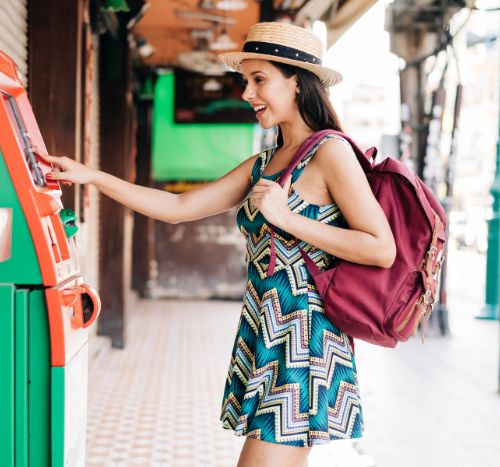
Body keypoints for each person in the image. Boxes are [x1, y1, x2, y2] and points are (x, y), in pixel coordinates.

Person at [36, 21, 395, 467]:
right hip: (267, 332)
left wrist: (286, 218)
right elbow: (178, 206)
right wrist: (93, 176)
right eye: (245, 80)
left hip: (304, 342)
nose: (247, 93)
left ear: (297, 84)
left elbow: (381, 248)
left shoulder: (331, 152)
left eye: (259, 79)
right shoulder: (265, 162)